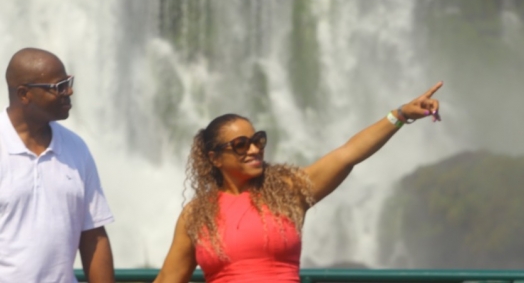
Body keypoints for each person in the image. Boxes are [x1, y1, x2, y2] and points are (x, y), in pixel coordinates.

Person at [154, 82, 443, 283]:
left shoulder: (287, 190)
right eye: (241, 144)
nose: (254, 149)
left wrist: (402, 115)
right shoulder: (196, 214)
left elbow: (347, 154)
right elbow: (169, 278)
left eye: (258, 140)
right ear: (215, 158)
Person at [0, 48, 115, 283]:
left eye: (68, 82)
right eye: (59, 86)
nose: (69, 91)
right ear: (24, 94)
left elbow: (93, 236)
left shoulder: (76, 148)